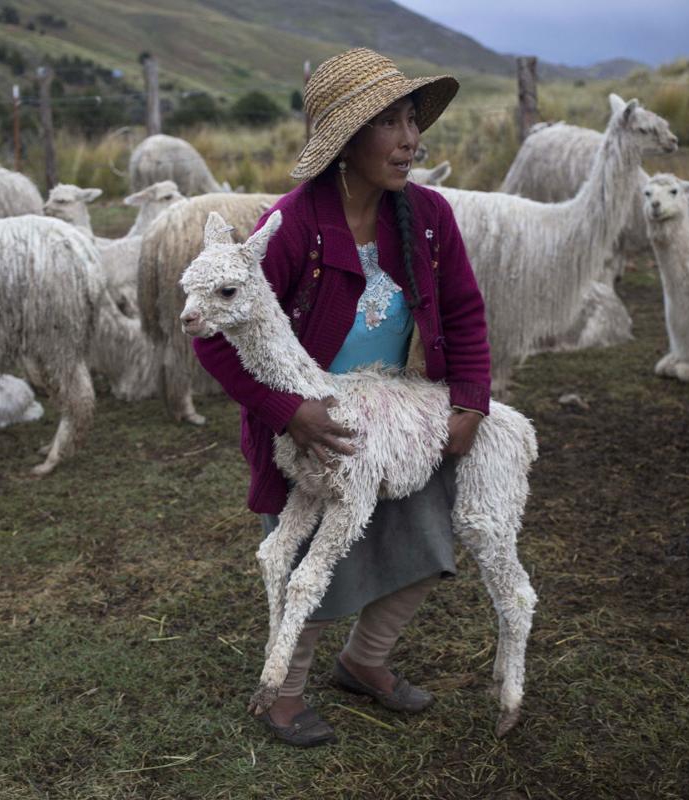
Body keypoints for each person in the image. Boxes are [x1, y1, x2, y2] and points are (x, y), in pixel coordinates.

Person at [192, 48, 491, 747]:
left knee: (427, 544)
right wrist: (287, 413)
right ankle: (283, 694)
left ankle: (366, 662)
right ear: (346, 140)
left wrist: (471, 400)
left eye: (413, 119)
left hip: (395, 417)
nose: (411, 139)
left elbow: (465, 313)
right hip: (312, 425)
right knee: (306, 564)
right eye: (389, 123)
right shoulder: (292, 226)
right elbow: (213, 336)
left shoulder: (427, 218)